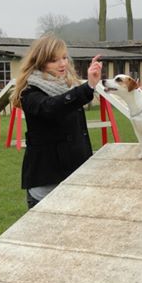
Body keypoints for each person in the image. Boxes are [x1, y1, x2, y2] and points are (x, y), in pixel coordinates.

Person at [10, 34, 103, 209]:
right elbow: (52, 107)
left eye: (64, 58)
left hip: (75, 180)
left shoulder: (69, 86)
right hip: (46, 187)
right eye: (54, 60)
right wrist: (88, 87)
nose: (62, 64)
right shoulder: (29, 93)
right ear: (40, 62)